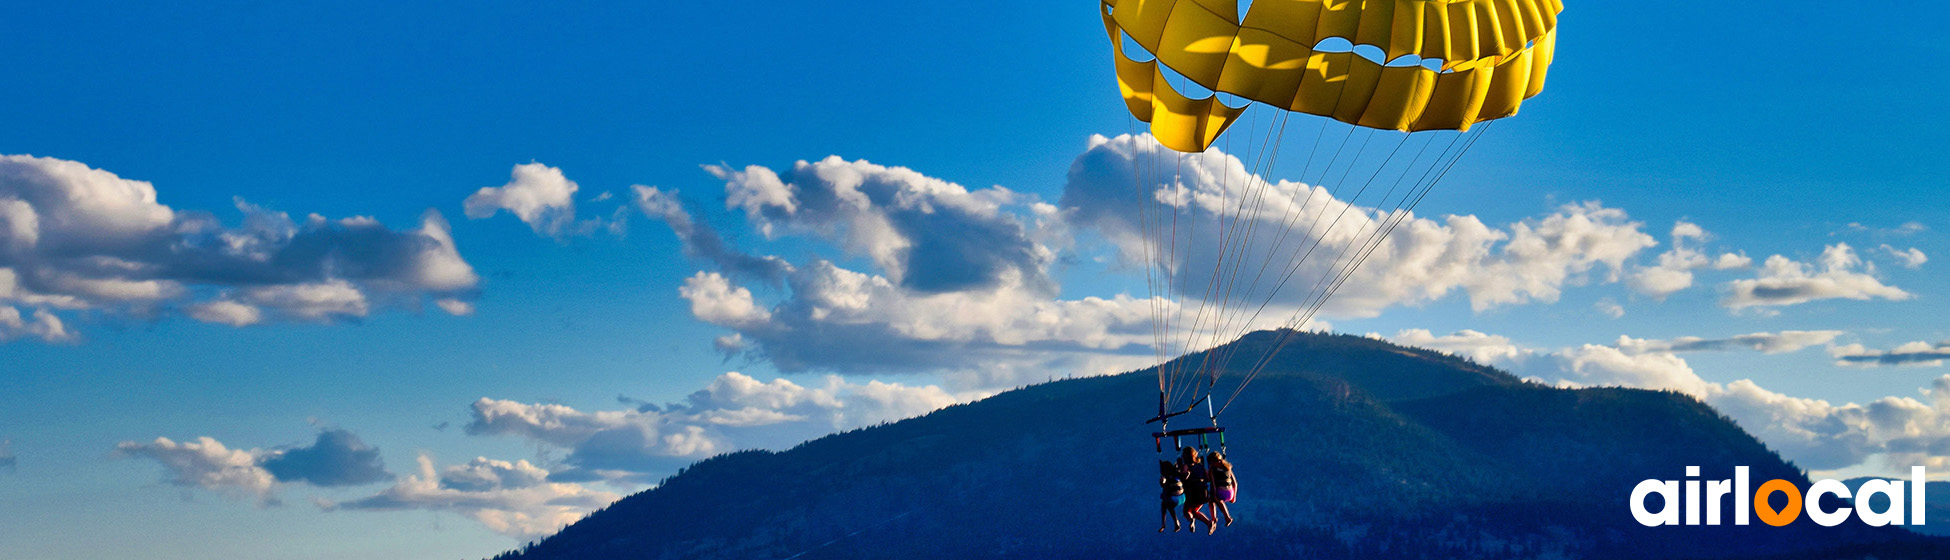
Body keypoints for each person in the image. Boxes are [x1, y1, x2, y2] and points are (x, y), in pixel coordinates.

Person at [1177, 446, 1216, 534]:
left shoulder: (1186, 466)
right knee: (1194, 512)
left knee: (1187, 512)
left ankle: (1191, 520)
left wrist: (1179, 470)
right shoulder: (1200, 466)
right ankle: (1208, 522)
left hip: (1192, 493)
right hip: (1203, 493)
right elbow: (1208, 478)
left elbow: (1183, 477)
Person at [1207, 451, 1237, 527]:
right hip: (1230, 493)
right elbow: (1235, 483)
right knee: (1213, 501)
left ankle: (1218, 518)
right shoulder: (1228, 468)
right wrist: (1234, 497)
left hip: (1222, 492)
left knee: (1213, 500)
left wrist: (1214, 495)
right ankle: (1222, 518)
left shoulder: (1213, 470)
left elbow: (1213, 484)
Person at [1158, 460, 1186, 532]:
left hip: (1175, 498)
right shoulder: (1176, 472)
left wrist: (1162, 482)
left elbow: (1164, 486)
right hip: (1183, 497)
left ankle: (1175, 521)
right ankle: (1164, 524)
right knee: (1164, 504)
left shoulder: (1166, 477)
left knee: (1166, 503)